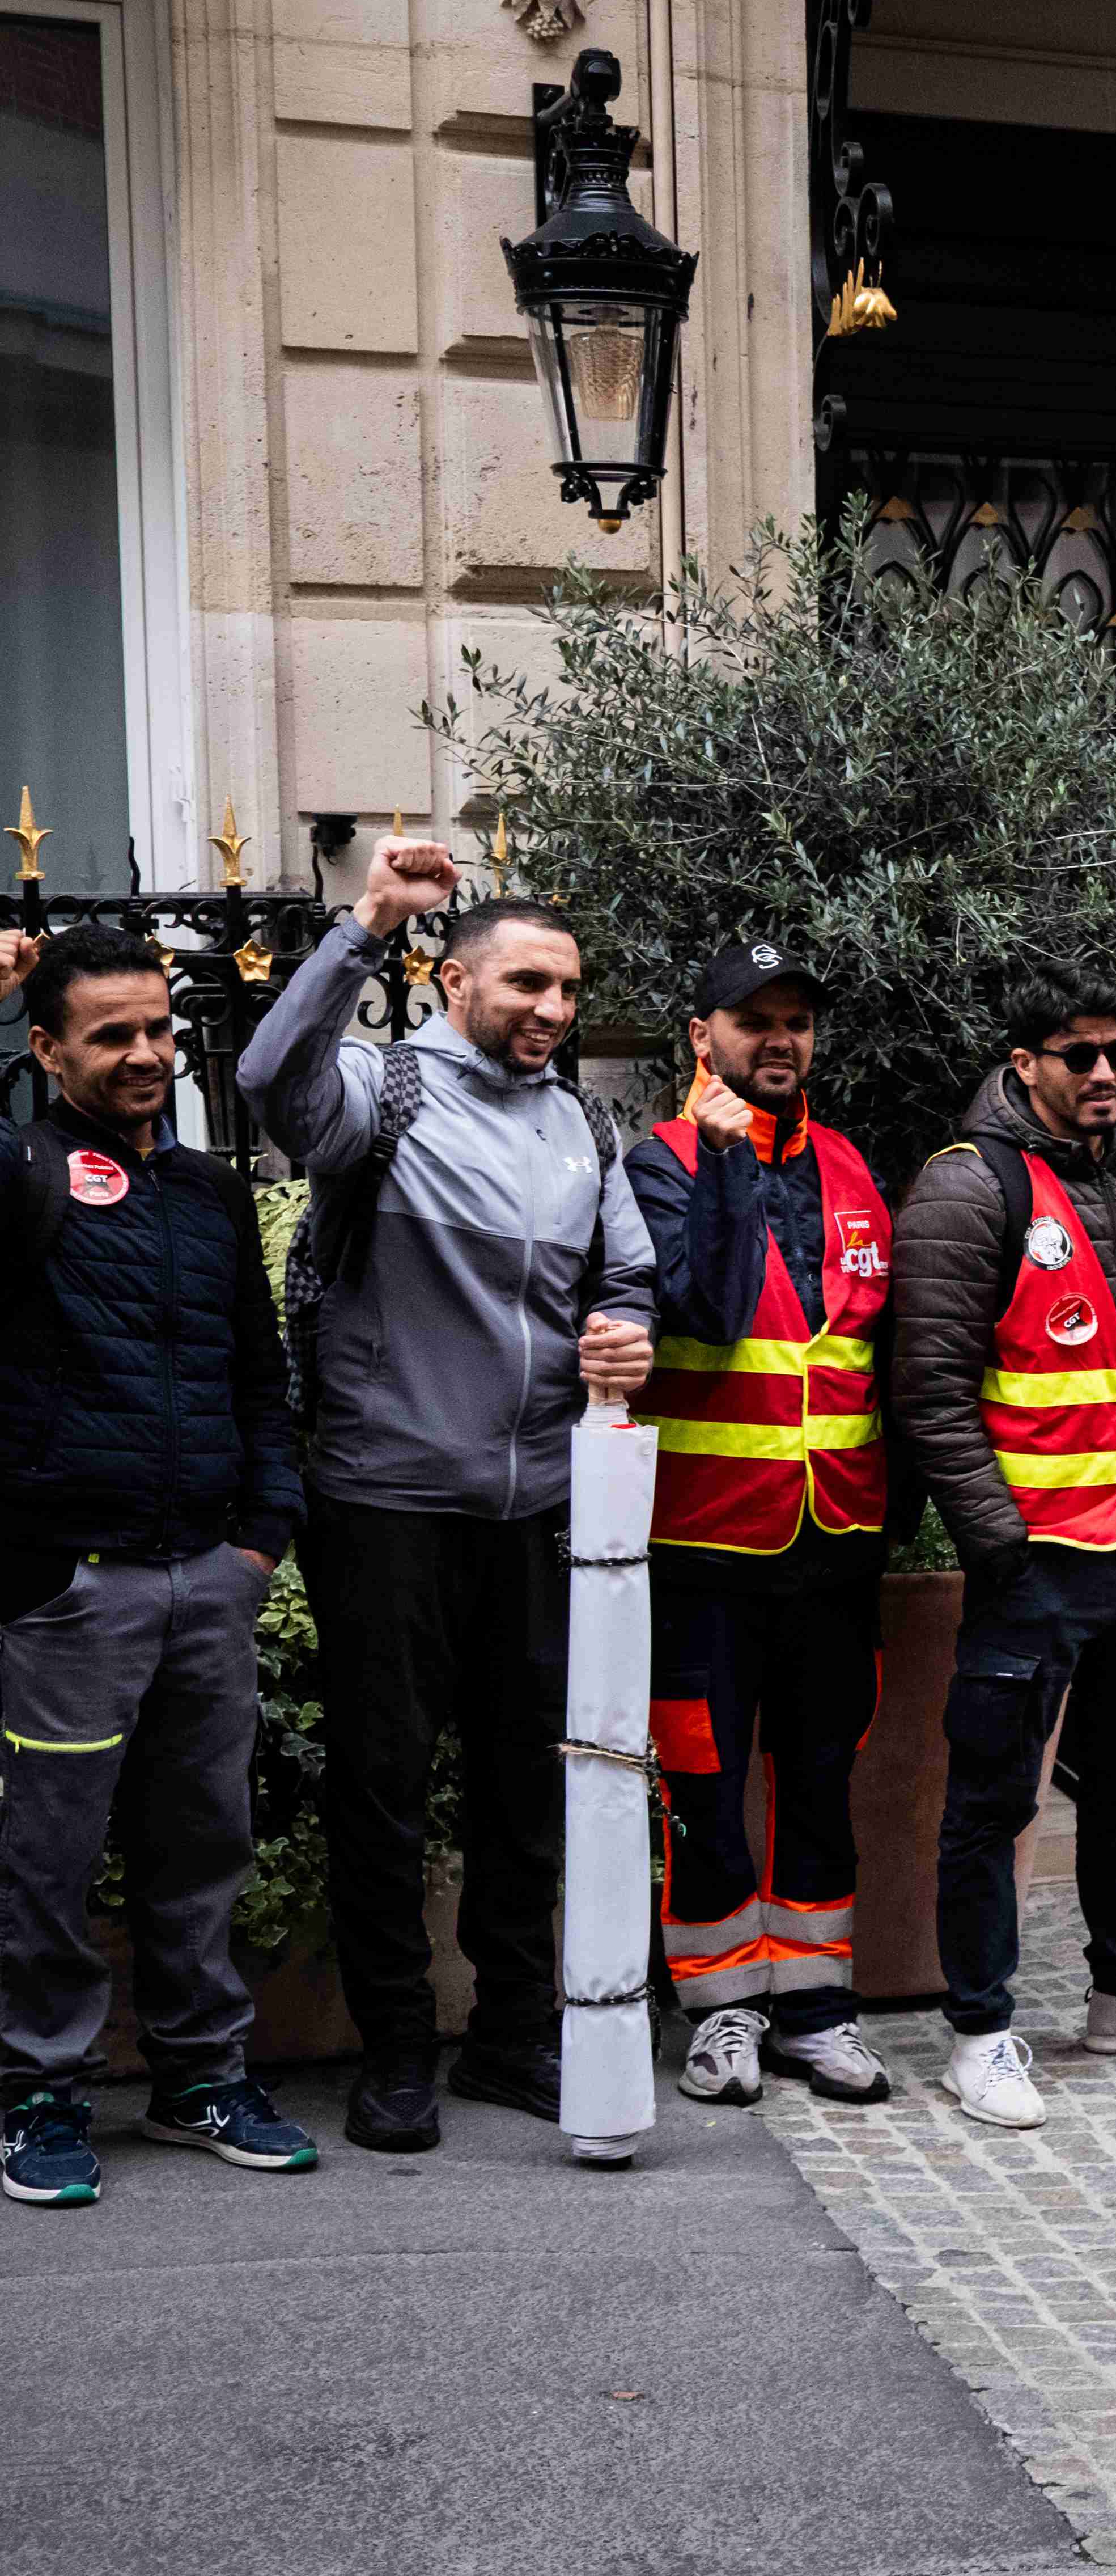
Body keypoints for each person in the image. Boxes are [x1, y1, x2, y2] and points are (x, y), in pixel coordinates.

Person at [237, 839, 654, 2155]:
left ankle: (513, 2037)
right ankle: (400, 2050)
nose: (552, 1010)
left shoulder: (587, 1124)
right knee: (383, 1785)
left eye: (569, 990)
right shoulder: (388, 1088)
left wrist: (626, 1331)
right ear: (459, 978)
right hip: (390, 1496)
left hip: (538, 1506)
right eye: (528, 982)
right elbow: (263, 1077)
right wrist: (364, 923)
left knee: (530, 1789)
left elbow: (626, 1278)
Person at [892, 970, 1116, 2129]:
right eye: (1077, 1055)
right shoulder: (969, 1186)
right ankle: (981, 2031)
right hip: (1039, 1556)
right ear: (1025, 1064)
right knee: (992, 1796)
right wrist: (996, 1537)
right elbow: (930, 1389)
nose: (1105, 1075)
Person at [0, 927, 315, 2203]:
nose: (145, 1055)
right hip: (71, 1585)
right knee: (49, 1855)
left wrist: (261, 1538)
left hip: (208, 1576)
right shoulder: (21, 1170)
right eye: (110, 1035)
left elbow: (259, 1373)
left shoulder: (208, 1192)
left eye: (156, 1030)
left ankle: (197, 2075)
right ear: (45, 1049)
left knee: (201, 1843)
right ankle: (35, 2093)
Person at [626, 943, 897, 2108]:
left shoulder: (851, 1167)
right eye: (753, 1023)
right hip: (703, 1546)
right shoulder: (660, 1164)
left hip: (835, 1541)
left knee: (822, 1780)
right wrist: (729, 1163)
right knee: (704, 1786)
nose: (778, 1041)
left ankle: (817, 2010)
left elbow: (883, 1351)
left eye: (796, 1023)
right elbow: (713, 1312)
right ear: (704, 1039)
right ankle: (722, 2010)